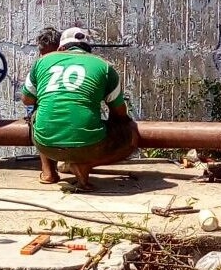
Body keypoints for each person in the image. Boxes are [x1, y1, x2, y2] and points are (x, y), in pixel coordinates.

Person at [21, 26, 138, 191]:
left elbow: (27, 100)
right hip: (89, 146)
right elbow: (120, 112)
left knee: (37, 111)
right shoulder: (103, 66)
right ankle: (86, 164)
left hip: (45, 144)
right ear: (88, 50)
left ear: (61, 48)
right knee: (131, 135)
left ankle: (48, 173)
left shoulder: (42, 62)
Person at [29, 27, 62, 185]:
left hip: (47, 119)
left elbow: (27, 99)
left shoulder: (39, 64)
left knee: (39, 116)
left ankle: (48, 171)